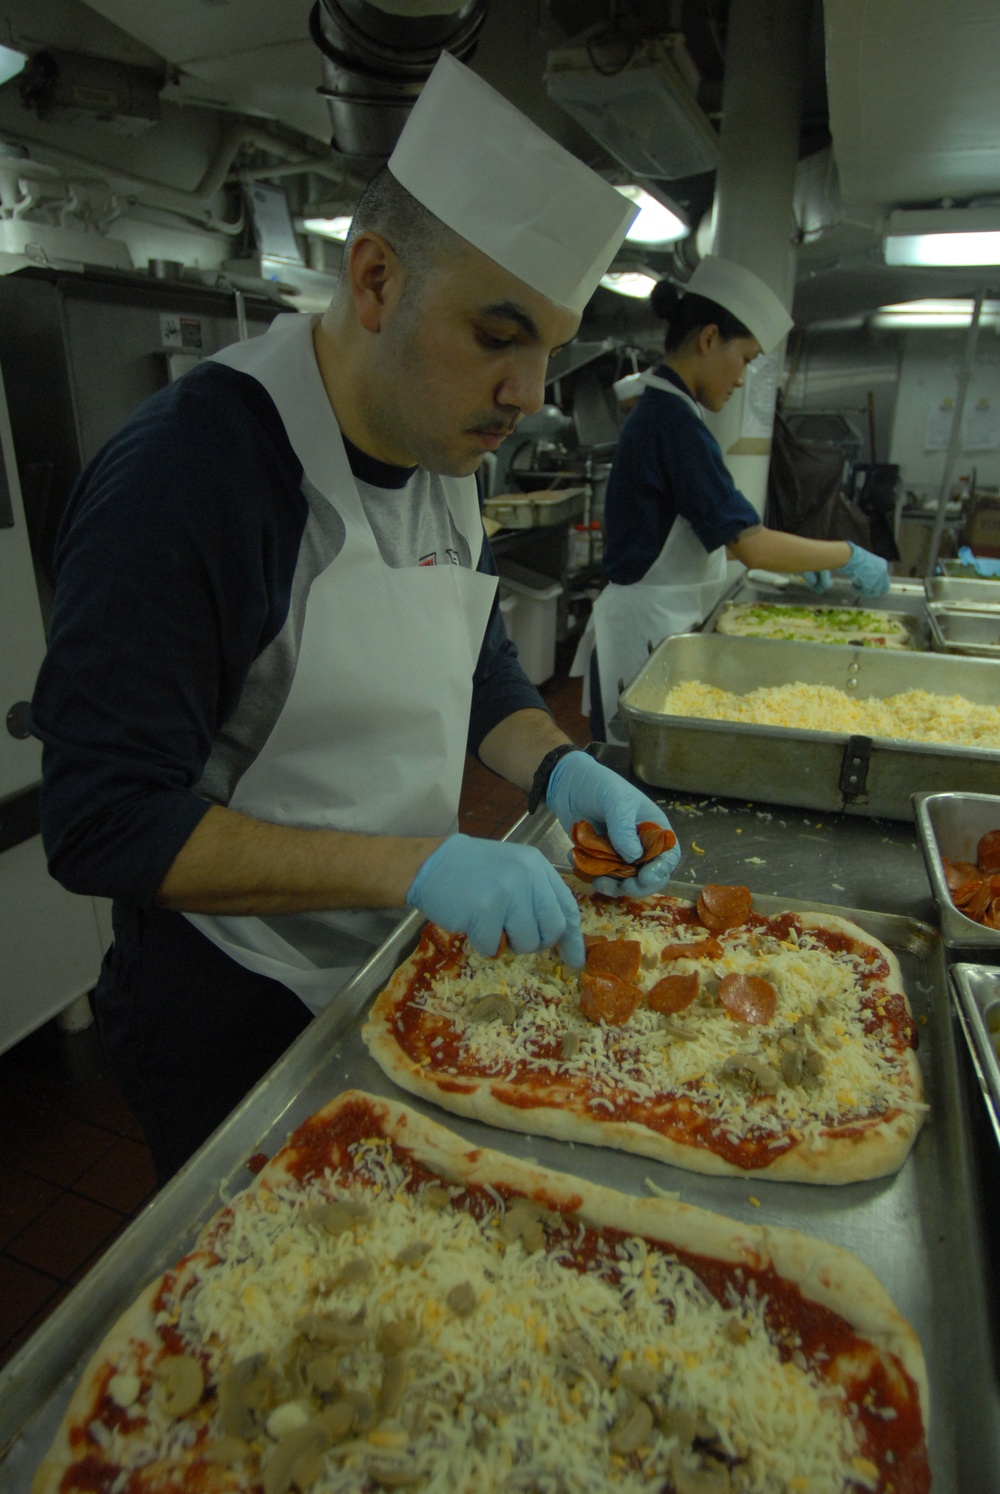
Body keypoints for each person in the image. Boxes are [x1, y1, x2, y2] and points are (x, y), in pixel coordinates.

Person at [28, 53, 683, 1185]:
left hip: (388, 959)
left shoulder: (445, 449)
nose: (529, 392)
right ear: (375, 280)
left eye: (550, 349)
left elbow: (470, 666)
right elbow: (101, 822)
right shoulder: (192, 476)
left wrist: (562, 772)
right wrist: (416, 864)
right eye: (497, 336)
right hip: (232, 1002)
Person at [576, 256, 891, 740]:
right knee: (631, 785)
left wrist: (795, 560)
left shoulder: (669, 410)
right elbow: (751, 543)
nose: (743, 378)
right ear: (708, 340)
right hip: (641, 635)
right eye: (744, 358)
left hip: (651, 626)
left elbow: (718, 532)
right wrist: (849, 554)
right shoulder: (673, 421)